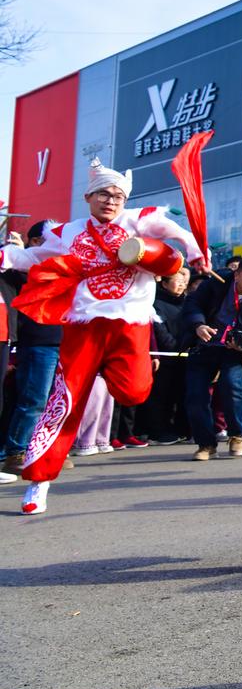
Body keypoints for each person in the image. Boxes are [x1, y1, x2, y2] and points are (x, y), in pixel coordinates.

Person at [0, 160, 203, 514]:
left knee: (134, 391)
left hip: (130, 326)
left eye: (118, 196)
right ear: (88, 197)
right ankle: (38, 482)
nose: (111, 201)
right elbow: (35, 257)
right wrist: (7, 254)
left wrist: (196, 251)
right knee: (63, 403)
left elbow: (175, 232)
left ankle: (109, 373)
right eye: (104, 194)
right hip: (84, 327)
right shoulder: (66, 232)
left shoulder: (138, 221)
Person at [183, 258, 242, 460]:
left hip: (235, 352)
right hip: (205, 346)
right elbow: (192, 304)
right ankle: (206, 445)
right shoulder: (215, 284)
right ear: (236, 274)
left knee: (232, 385)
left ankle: (236, 436)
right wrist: (198, 325)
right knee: (195, 395)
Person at [2, 221, 64, 474]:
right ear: (37, 242)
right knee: (33, 400)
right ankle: (16, 452)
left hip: (63, 341)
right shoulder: (23, 267)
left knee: (55, 401)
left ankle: (41, 449)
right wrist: (18, 250)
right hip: (37, 341)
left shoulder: (63, 266)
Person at [146, 268, 192, 444]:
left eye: (183, 282)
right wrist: (175, 348)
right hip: (166, 357)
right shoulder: (156, 303)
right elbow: (160, 330)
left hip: (185, 355)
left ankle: (180, 429)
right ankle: (158, 432)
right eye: (177, 281)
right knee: (162, 396)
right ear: (164, 284)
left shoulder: (188, 303)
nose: (181, 285)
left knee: (181, 395)